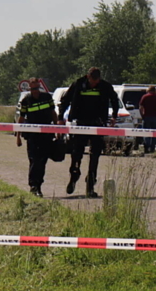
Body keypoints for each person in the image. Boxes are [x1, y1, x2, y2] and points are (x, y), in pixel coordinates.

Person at [58, 67, 119, 198]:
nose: (94, 84)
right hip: (81, 123)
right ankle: (74, 177)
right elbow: (65, 100)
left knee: (95, 155)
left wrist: (114, 116)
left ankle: (90, 185)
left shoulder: (105, 86)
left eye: (96, 81)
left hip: (98, 123)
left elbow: (114, 100)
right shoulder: (78, 84)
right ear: (88, 76)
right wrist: (60, 117)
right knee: (77, 153)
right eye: (92, 81)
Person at [15, 77, 56, 197]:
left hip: (46, 135)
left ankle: (38, 185)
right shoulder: (26, 101)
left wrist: (59, 130)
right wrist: (18, 137)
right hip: (32, 136)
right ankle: (33, 186)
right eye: (33, 89)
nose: (35, 91)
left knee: (42, 161)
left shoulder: (47, 98)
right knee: (34, 160)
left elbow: (53, 114)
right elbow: (21, 119)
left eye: (37, 88)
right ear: (29, 89)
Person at [138, 85, 156, 154]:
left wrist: (142, 115)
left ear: (148, 90)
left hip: (146, 116)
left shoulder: (145, 97)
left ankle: (147, 147)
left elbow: (141, 107)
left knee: (146, 133)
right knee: (154, 133)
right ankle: (152, 148)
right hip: (155, 117)